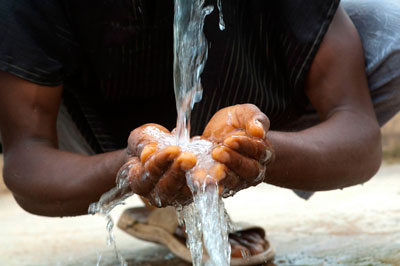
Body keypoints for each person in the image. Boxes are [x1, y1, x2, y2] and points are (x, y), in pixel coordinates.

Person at [0, 0, 399, 261]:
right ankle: (171, 198)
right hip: (91, 135)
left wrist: (263, 151)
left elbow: (357, 132)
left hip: (260, 107)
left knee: (391, 29)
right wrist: (126, 168)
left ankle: (198, 190)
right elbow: (28, 159)